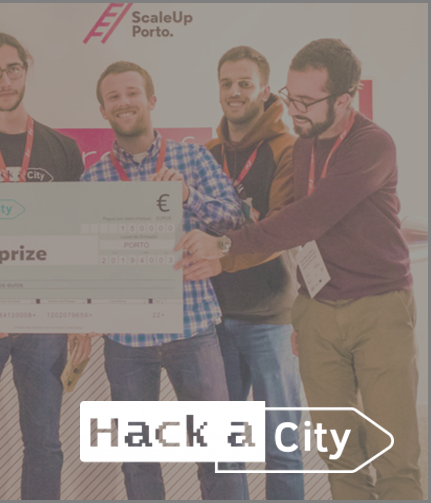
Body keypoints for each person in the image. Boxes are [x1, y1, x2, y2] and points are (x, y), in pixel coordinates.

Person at [176, 38, 421, 500]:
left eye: (307, 101)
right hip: (317, 311)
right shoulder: (305, 144)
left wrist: (224, 246)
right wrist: (307, 311)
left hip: (377, 308)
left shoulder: (372, 144)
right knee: (339, 455)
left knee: (393, 455)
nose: (293, 109)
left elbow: (307, 219)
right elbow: (308, 238)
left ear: (344, 100)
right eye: (291, 96)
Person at [81, 60, 247, 500]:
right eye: (114, 97)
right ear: (103, 111)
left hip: (192, 328)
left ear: (151, 100)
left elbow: (236, 220)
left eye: (132, 93)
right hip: (125, 339)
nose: (124, 102)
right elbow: (82, 260)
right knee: (137, 459)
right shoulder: (93, 178)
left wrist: (188, 195)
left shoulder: (192, 158)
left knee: (219, 451)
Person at [0, 32, 88, 500]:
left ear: (26, 70)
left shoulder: (62, 149)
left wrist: (75, 312)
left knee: (45, 443)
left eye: (12, 69)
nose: (4, 81)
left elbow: (74, 237)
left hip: (43, 320)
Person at [198, 46, 304, 499]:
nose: (234, 92)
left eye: (245, 83)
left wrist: (221, 255)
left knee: (282, 446)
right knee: (220, 449)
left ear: (264, 90)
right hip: (212, 319)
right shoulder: (206, 154)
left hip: (271, 317)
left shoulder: (287, 149)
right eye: (227, 84)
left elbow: (279, 230)